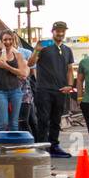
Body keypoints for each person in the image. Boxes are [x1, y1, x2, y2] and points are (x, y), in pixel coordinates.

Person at [31, 21, 77, 158]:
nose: (60, 33)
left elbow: (70, 70)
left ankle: (54, 145)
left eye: (63, 31)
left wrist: (70, 85)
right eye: (58, 31)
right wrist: (36, 50)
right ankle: (41, 147)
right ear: (53, 31)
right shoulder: (44, 46)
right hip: (44, 89)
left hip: (61, 90)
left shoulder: (67, 50)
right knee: (43, 119)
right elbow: (30, 63)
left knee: (56, 119)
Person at [0, 31, 29, 132]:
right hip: (0, 91)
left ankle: (12, 146)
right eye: (5, 40)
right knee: (3, 123)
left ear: (14, 41)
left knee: (14, 123)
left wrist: (7, 67)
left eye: (10, 39)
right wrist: (2, 49)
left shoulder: (18, 55)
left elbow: (23, 73)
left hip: (15, 90)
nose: (8, 42)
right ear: (1, 41)